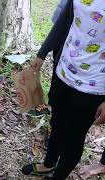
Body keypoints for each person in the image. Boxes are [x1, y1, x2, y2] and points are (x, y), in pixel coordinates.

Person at [21, 0, 105, 179]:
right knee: (57, 124)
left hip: (93, 86)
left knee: (74, 137)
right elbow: (64, 20)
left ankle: (59, 176)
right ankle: (48, 164)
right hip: (63, 71)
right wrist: (42, 53)